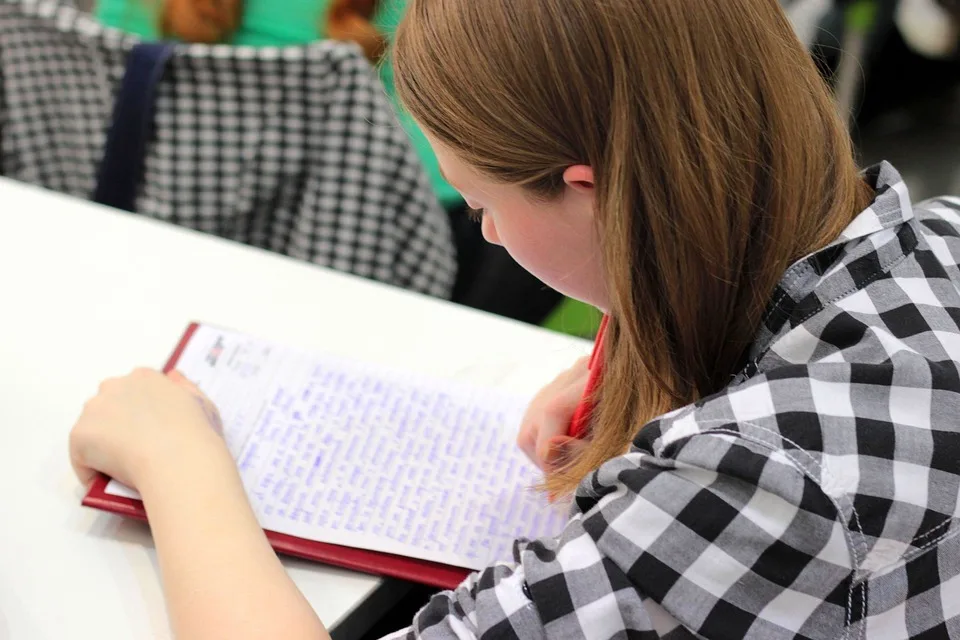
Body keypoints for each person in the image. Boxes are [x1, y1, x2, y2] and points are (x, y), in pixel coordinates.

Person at [70, 0, 960, 637]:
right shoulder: (940, 241)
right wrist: (649, 347)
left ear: (593, 190)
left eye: (480, 205)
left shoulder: (751, 487)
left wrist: (180, 462)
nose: (487, 235)